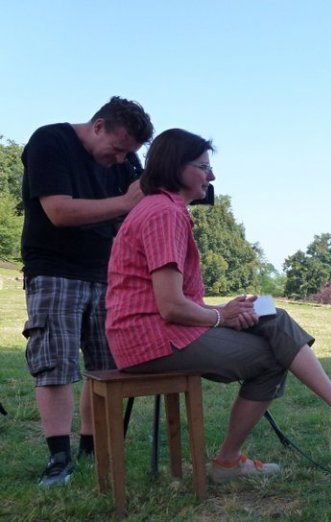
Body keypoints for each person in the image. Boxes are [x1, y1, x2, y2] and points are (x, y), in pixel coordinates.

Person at [105, 128, 331, 483]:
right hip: (151, 340)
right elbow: (169, 307)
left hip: (152, 332)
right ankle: (231, 462)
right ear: (176, 167)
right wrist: (220, 316)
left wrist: (226, 311)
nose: (211, 176)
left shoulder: (161, 209)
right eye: (203, 167)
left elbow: (170, 300)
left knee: (269, 311)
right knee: (271, 359)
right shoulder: (164, 214)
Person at [20, 96, 154, 486]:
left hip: (107, 272)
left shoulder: (127, 162)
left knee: (106, 367)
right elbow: (59, 212)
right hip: (54, 268)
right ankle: (58, 459)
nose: (120, 161)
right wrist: (126, 203)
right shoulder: (50, 142)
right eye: (116, 149)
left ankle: (92, 450)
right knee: (55, 362)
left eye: (128, 154)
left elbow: (138, 209)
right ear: (98, 126)